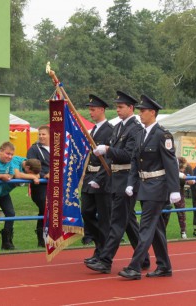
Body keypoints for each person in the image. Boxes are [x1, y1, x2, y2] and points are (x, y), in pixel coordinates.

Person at [86, 90, 150, 274]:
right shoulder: (120, 127)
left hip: (127, 181)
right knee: (129, 223)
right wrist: (101, 178)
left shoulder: (135, 129)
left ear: (131, 108)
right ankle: (144, 257)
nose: (118, 110)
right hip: (116, 180)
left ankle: (105, 260)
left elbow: (129, 155)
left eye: (121, 107)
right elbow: (113, 159)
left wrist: (107, 149)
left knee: (116, 223)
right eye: (117, 107)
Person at [118, 94, 180, 280]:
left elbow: (171, 164)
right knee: (157, 228)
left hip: (158, 187)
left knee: (145, 228)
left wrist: (175, 188)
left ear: (153, 112)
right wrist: (130, 183)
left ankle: (134, 266)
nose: (140, 114)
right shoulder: (140, 135)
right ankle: (164, 266)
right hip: (144, 187)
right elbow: (135, 162)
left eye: (143, 111)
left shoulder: (163, 135)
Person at [81, 94, 113, 265]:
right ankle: (99, 245)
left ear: (102, 110)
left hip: (102, 179)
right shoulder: (93, 130)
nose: (90, 113)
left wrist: (99, 178)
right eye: (90, 110)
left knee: (105, 218)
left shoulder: (109, 130)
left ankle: (103, 254)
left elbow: (108, 157)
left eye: (93, 110)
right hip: (89, 177)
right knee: (86, 212)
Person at [0, 157, 41, 250]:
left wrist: (34, 176)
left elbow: (38, 176)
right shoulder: (15, 161)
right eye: (30, 173)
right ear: (27, 168)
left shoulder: (28, 162)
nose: (29, 175)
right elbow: (17, 175)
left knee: (11, 213)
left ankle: (7, 242)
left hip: (3, 193)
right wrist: (33, 177)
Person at [26, 125, 50, 247]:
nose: (41, 136)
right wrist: (44, 175)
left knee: (54, 209)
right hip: (40, 186)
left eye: (43, 134)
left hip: (55, 186)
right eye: (39, 134)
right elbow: (30, 167)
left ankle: (53, 236)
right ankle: (42, 238)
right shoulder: (34, 149)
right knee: (45, 208)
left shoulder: (58, 149)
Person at [162, 157, 194, 239]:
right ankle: (162, 232)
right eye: (180, 168)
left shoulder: (188, 167)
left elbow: (193, 180)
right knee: (165, 212)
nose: (182, 170)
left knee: (181, 212)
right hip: (167, 190)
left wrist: (190, 181)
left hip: (180, 191)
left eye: (183, 168)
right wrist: (179, 174)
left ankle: (183, 232)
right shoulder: (169, 165)